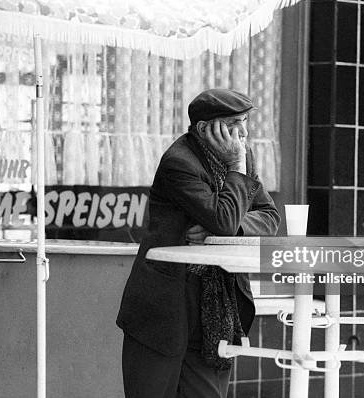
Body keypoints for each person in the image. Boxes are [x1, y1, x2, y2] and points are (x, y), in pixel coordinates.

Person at [116, 88, 280, 398]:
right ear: (205, 129)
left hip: (216, 307)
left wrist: (221, 234)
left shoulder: (241, 157)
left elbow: (269, 216)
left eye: (245, 121)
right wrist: (234, 176)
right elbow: (224, 219)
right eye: (233, 124)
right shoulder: (180, 162)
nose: (243, 133)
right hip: (165, 309)